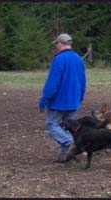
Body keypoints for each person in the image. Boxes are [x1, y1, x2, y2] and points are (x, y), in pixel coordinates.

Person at [38, 33, 86, 162]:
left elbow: (53, 83)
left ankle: (70, 143)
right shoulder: (79, 59)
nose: (55, 46)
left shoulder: (59, 59)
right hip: (74, 100)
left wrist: (44, 100)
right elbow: (82, 81)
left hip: (58, 101)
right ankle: (65, 157)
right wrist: (80, 97)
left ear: (60, 43)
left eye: (56, 44)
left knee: (51, 125)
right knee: (69, 127)